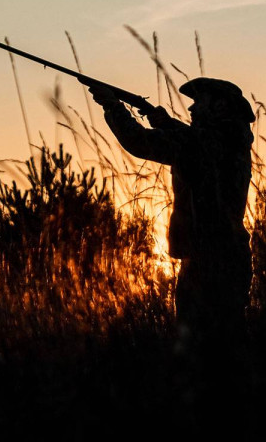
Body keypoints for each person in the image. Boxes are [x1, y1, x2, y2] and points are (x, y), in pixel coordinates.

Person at [88, 77, 255, 349]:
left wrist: (112, 105)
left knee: (203, 350)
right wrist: (164, 121)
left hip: (210, 261)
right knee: (225, 348)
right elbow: (192, 143)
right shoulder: (228, 140)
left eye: (200, 101)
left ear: (220, 106)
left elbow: (139, 141)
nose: (192, 109)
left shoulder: (202, 141)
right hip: (222, 256)